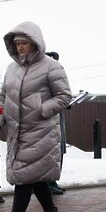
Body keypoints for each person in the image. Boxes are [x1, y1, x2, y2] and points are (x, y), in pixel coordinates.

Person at [0, 22, 71, 212]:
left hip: (41, 131)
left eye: (23, 43)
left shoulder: (52, 66)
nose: (20, 47)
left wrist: (41, 109)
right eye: (16, 44)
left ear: (34, 42)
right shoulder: (11, 68)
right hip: (17, 132)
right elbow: (3, 97)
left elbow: (64, 96)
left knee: (24, 178)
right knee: (34, 175)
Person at [45, 51, 67, 196]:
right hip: (48, 120)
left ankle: (53, 181)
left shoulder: (58, 76)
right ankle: (48, 183)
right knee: (49, 153)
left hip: (59, 118)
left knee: (59, 151)